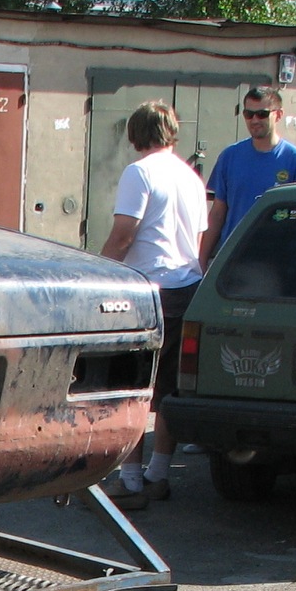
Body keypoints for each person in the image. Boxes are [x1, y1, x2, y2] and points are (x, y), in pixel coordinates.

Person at [99, 99, 207, 508]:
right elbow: (197, 242)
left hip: (147, 290)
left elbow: (125, 234)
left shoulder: (139, 172)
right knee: (167, 390)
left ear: (135, 134)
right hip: (187, 286)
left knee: (131, 387)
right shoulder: (191, 177)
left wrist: (100, 272)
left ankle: (129, 481)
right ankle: (159, 475)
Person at [201, 86, 296, 258]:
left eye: (262, 114)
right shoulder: (230, 156)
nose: (254, 120)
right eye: (249, 114)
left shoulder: (295, 160)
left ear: (278, 115)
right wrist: (202, 258)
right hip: (232, 257)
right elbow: (218, 213)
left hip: (275, 259)